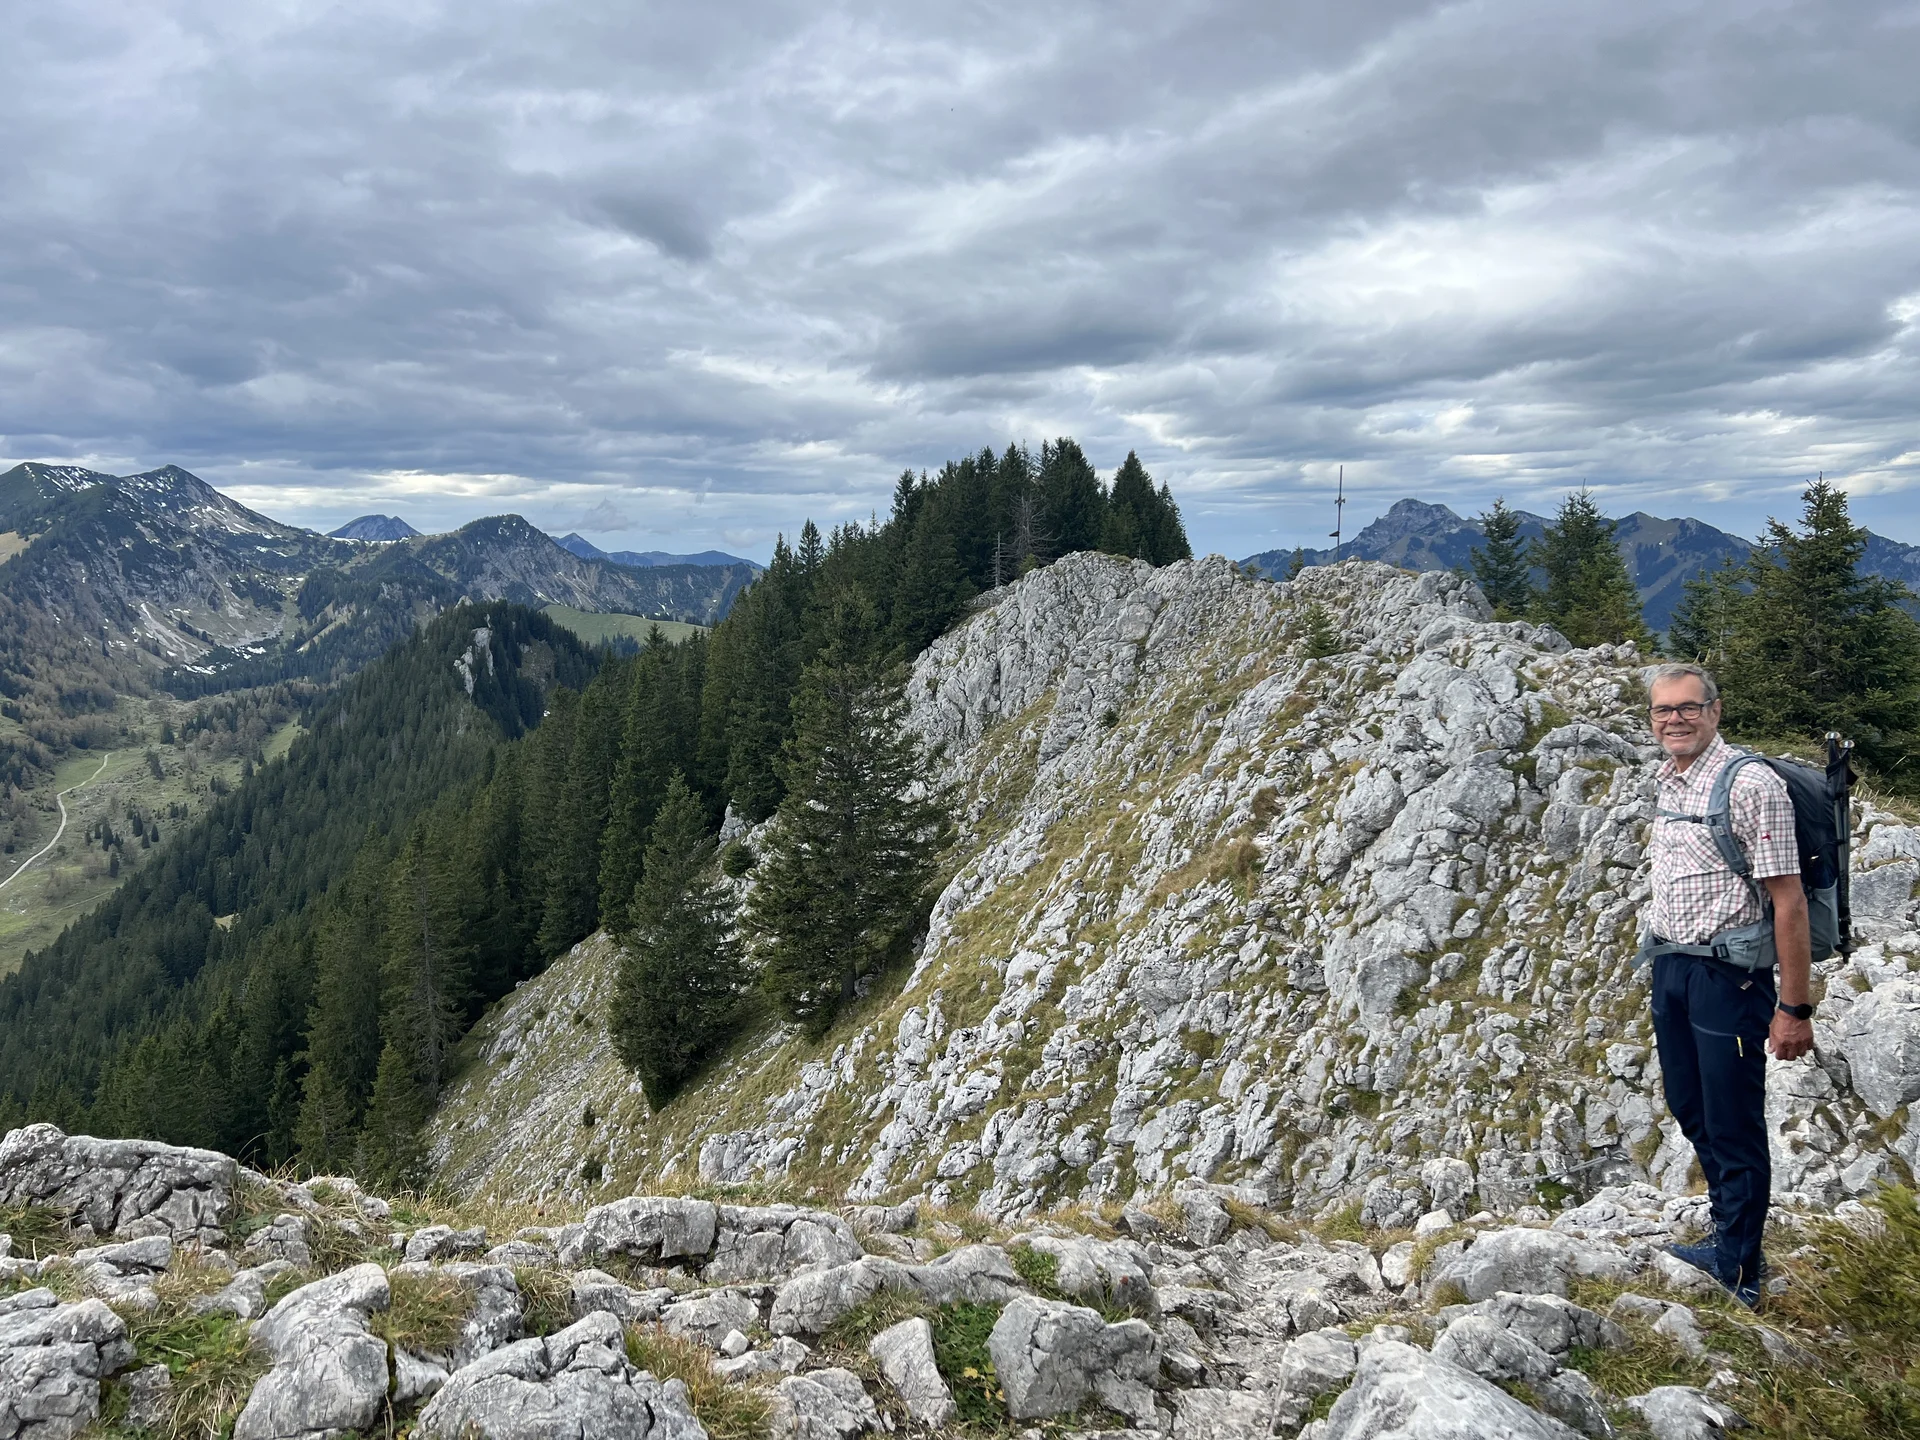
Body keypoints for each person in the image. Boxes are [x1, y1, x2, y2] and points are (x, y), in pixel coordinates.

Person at [1641, 662, 1814, 1308]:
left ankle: (1740, 1269)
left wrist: (1793, 1007)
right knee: (1690, 1104)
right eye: (1664, 710)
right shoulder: (1670, 777)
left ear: (1715, 711)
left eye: (1689, 707)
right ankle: (1726, 1234)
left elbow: (1789, 901)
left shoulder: (1751, 785)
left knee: (1732, 1120)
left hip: (1730, 978)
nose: (1676, 719)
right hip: (1672, 967)